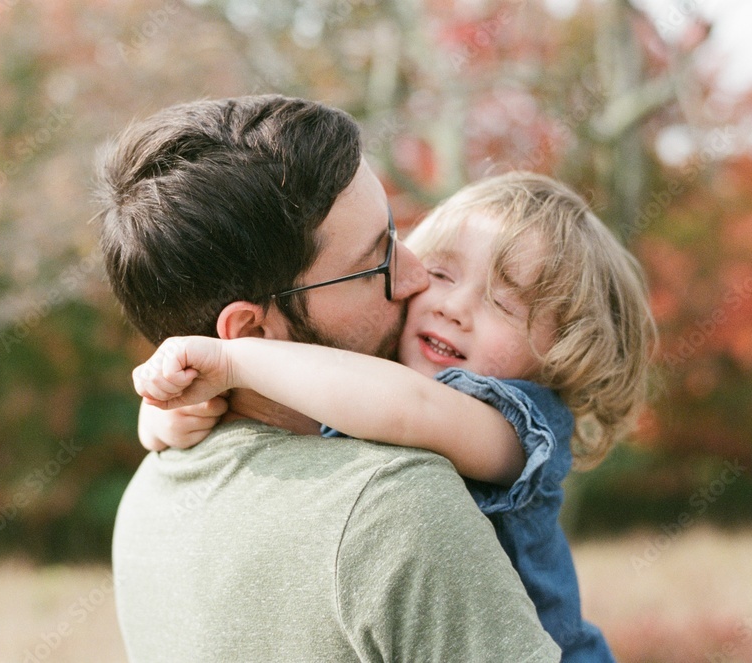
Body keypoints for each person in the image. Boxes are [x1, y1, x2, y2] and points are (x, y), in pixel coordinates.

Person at [100, 95, 560, 661]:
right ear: (250, 335)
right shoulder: (394, 505)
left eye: (396, 230)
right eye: (375, 264)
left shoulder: (146, 500)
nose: (417, 276)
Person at [134, 171, 658, 661]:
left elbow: (412, 409)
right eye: (440, 273)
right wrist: (172, 411)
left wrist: (235, 361)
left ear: (563, 356)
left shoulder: (518, 426)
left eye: (504, 304)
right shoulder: (372, 383)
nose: (454, 306)